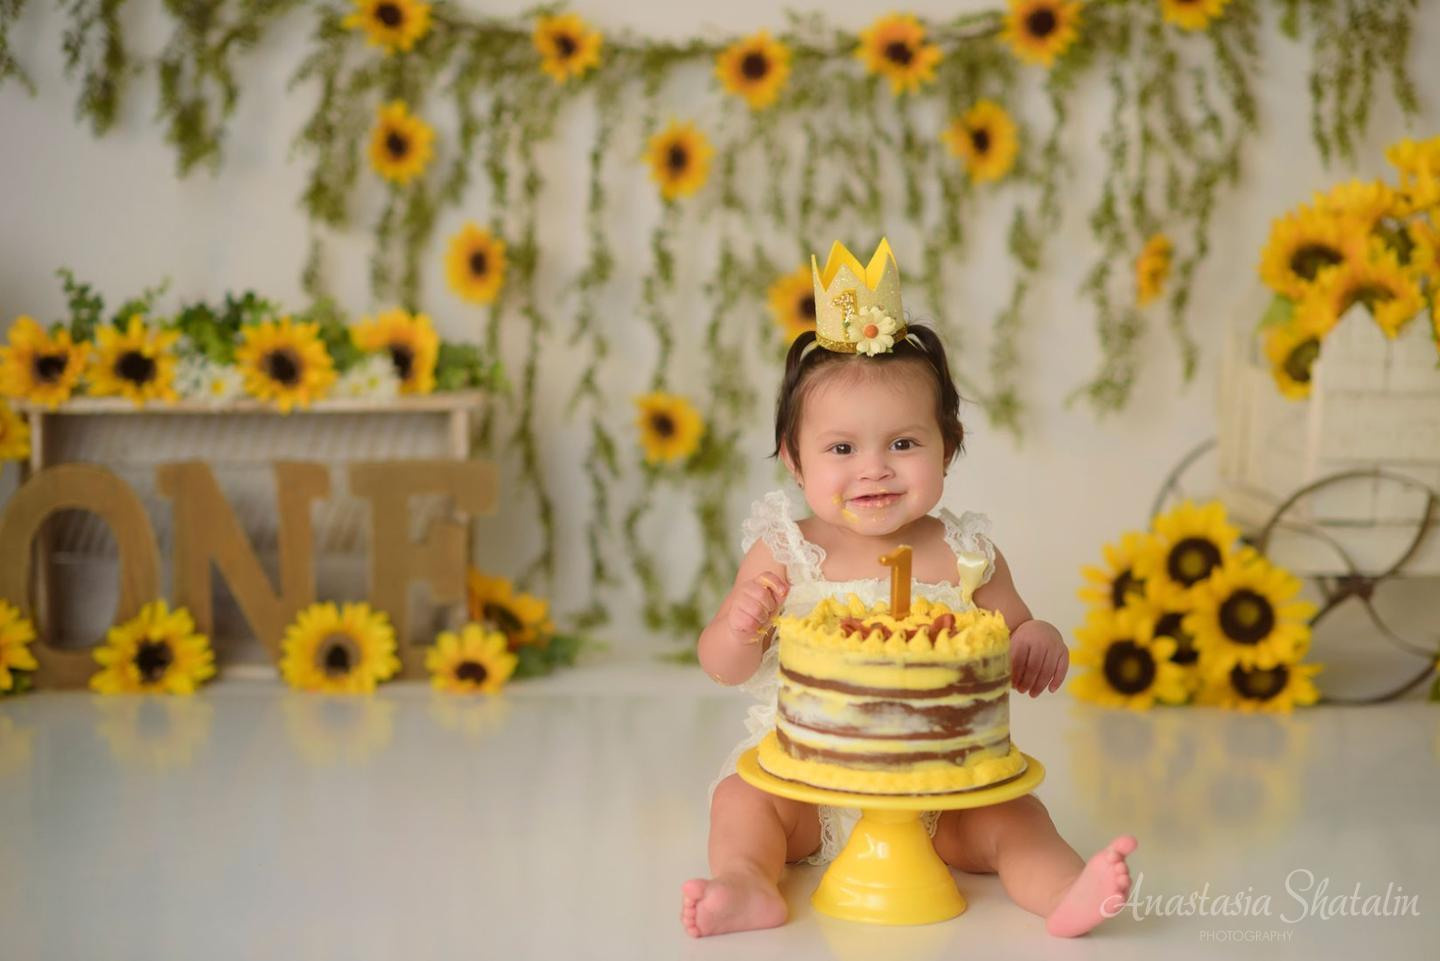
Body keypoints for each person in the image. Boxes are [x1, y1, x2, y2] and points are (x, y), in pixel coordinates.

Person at [680, 240, 1136, 939]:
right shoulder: (785, 550)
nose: (874, 469)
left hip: (942, 790)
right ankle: (747, 884)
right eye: (842, 448)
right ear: (794, 460)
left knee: (1016, 817)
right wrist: (740, 625)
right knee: (740, 802)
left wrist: (1037, 638)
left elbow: (1015, 628)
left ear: (947, 447)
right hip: (807, 783)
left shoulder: (964, 552)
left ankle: (1063, 887)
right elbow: (721, 664)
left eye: (903, 443)